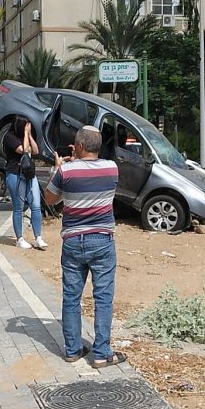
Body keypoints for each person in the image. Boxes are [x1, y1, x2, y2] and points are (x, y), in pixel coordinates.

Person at [44, 125, 125, 368]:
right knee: (103, 297)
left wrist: (58, 168)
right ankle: (102, 353)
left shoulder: (66, 171)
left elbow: (49, 199)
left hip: (72, 242)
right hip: (102, 240)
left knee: (71, 296)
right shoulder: (112, 168)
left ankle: (72, 349)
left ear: (78, 146)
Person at [2, 116, 47, 249]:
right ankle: (19, 238)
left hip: (29, 174)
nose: (28, 128)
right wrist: (26, 134)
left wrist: (30, 135)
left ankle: (38, 237)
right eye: (26, 126)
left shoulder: (26, 136)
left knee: (36, 205)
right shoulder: (9, 137)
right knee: (18, 207)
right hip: (15, 174)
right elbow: (24, 150)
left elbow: (35, 150)